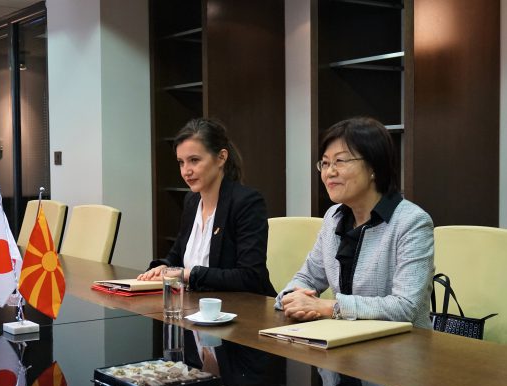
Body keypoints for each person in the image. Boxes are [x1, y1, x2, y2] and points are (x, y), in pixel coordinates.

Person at [275, 117, 434, 328]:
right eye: (325, 163)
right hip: (344, 339)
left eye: (340, 161)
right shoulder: (334, 217)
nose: (330, 172)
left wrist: (330, 307)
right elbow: (308, 277)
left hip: (402, 344)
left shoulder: (412, 222)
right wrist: (292, 298)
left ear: (374, 167)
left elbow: (405, 307)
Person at [138, 118, 276, 297]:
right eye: (181, 162)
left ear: (221, 157)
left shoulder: (246, 202)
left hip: (244, 308)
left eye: (194, 160)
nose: (186, 171)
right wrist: (163, 267)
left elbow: (250, 277)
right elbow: (177, 255)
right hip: (198, 306)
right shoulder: (191, 201)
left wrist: (187, 274)